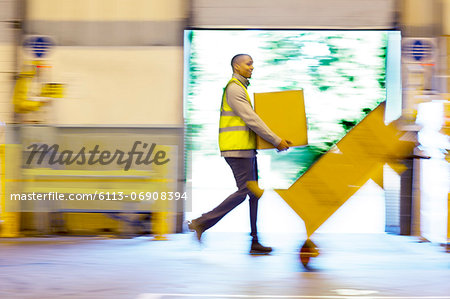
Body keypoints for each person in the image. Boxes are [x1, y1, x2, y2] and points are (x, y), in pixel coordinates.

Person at [188, 54, 291, 254]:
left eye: (253, 63)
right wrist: (276, 140)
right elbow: (251, 119)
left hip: (247, 149)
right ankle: (201, 222)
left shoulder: (241, 88)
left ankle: (255, 241)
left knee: (254, 194)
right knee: (245, 191)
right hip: (237, 150)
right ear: (237, 66)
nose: (253, 67)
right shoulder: (234, 88)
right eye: (249, 63)